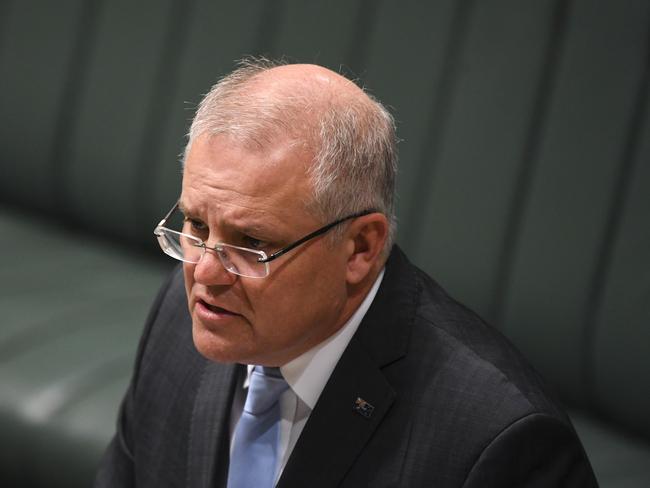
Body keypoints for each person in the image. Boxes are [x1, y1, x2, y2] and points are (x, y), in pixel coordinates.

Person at [95, 58, 598, 487]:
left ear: (360, 248)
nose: (205, 270)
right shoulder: (179, 319)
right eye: (196, 224)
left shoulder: (496, 443)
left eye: (252, 244)